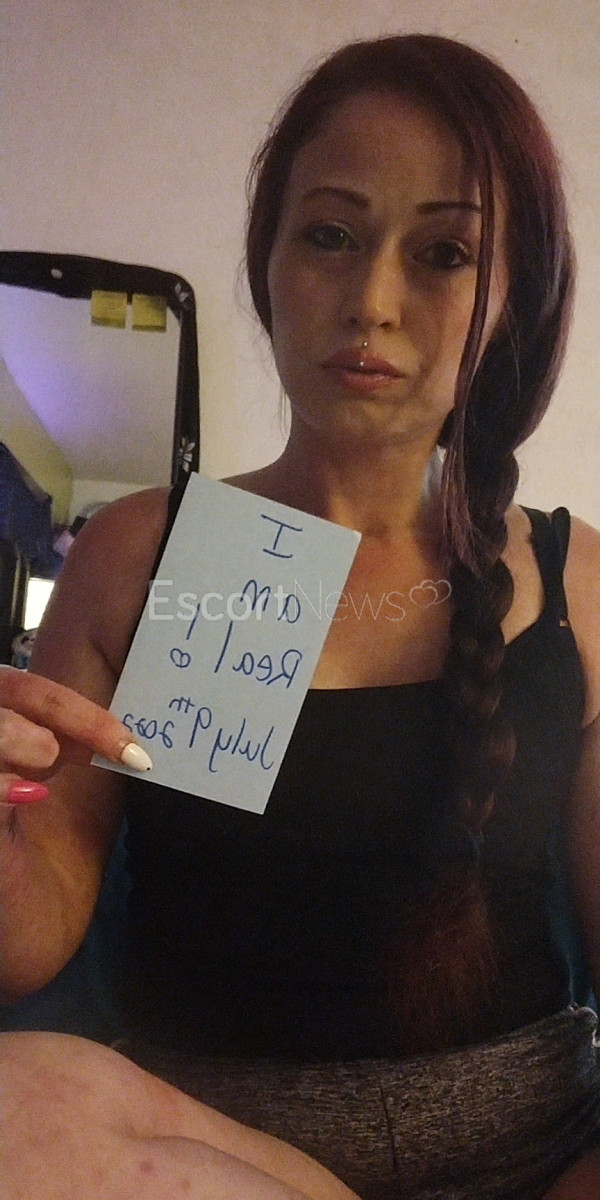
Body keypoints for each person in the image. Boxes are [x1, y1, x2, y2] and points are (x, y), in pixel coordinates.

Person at [1, 32, 600, 1200]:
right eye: (329, 235)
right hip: (218, 1161)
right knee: (20, 1104)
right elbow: (33, 936)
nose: (371, 301)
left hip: (534, 1157)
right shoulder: (140, 557)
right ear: (268, 259)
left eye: (443, 253)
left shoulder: (578, 581)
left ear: (512, 301)